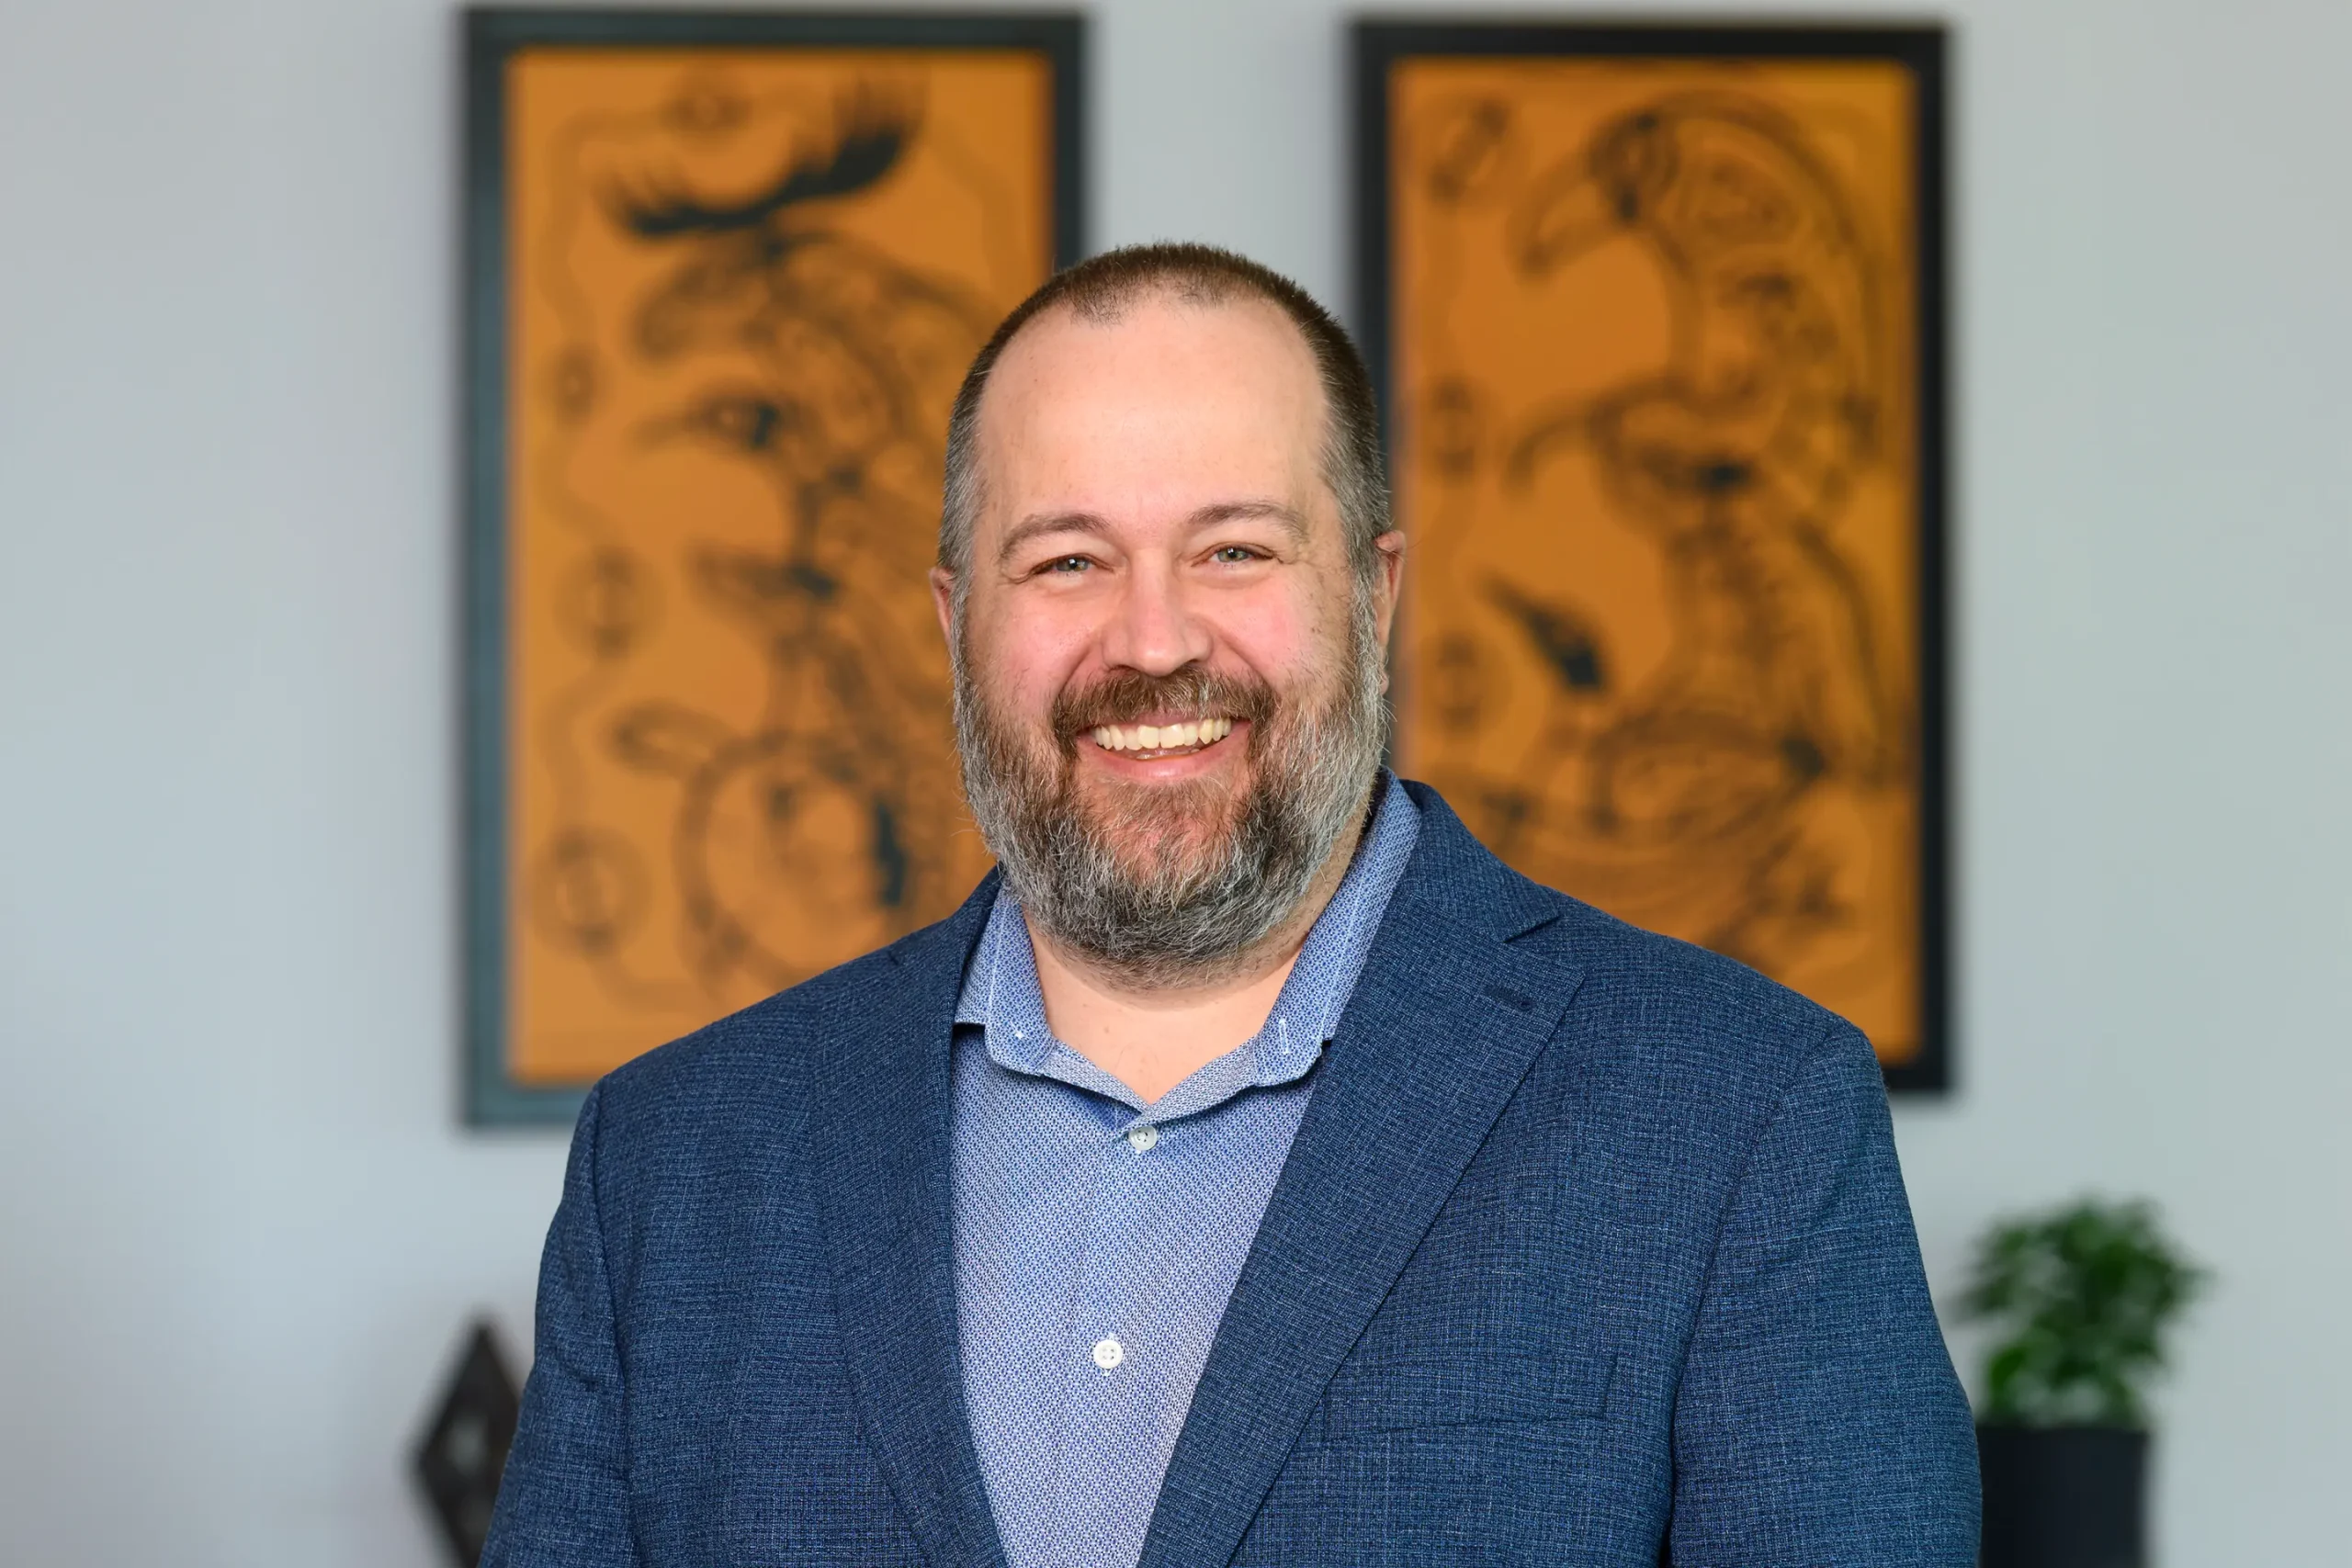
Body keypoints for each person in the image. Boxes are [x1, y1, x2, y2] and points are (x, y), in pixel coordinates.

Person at [482, 243, 1978, 1568]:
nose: (1153, 638)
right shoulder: (672, 1162)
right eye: (1066, 559)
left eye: (1236, 549)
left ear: (1374, 593)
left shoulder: (1737, 1113)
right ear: (958, 622)